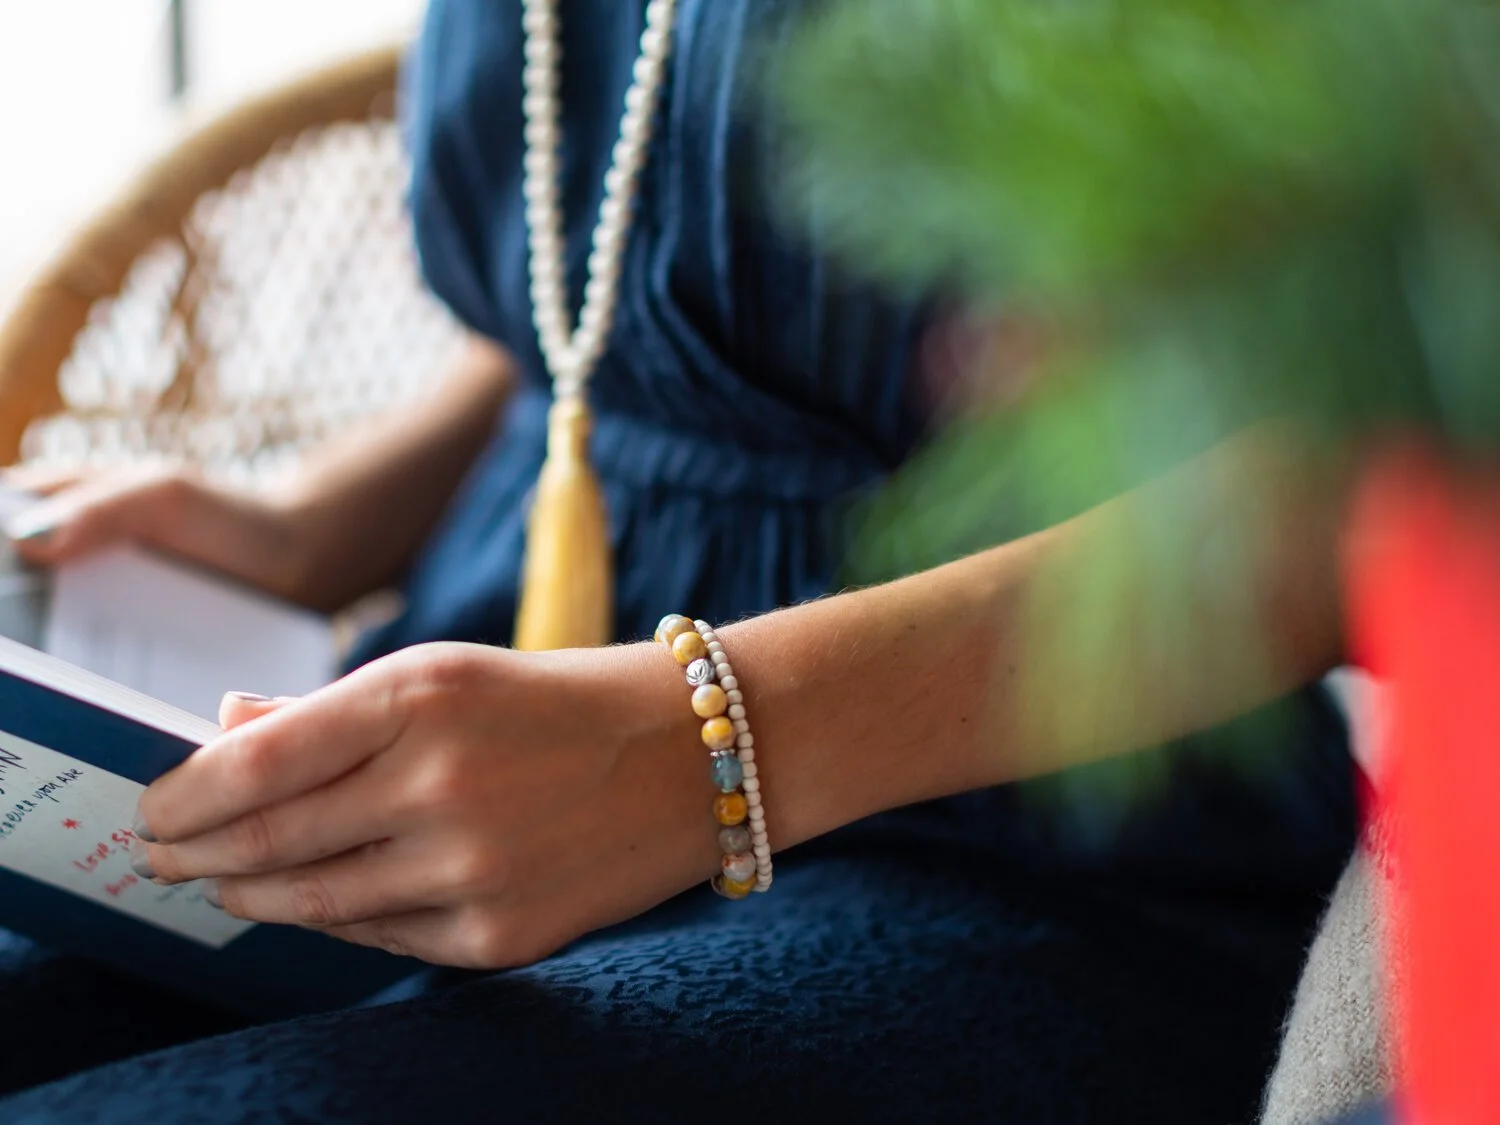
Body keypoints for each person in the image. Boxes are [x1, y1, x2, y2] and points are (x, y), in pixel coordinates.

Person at [0, 1, 1357, 1120]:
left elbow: (1387, 466)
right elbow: (612, 263)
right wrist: (317, 520)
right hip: (498, 691)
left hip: (1031, 803)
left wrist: (706, 745)